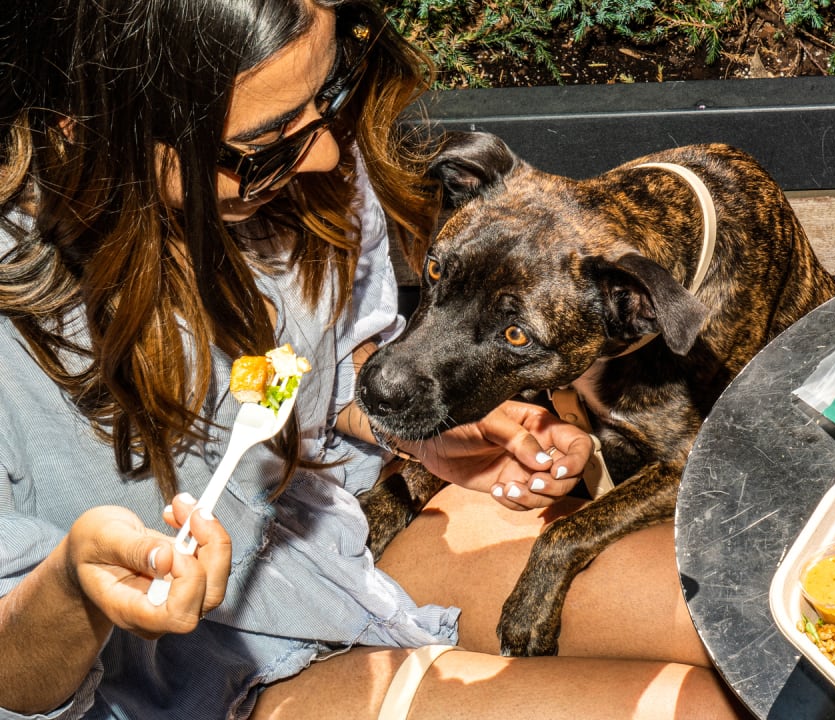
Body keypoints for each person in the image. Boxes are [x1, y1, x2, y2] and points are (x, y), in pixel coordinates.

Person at [0, 1, 747, 718]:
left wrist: (420, 434)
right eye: (263, 145)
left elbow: (322, 383)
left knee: (768, 634)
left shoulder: (301, 150)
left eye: (331, 88)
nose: (326, 150)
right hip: (188, 670)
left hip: (336, 532)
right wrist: (71, 587)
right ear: (89, 130)